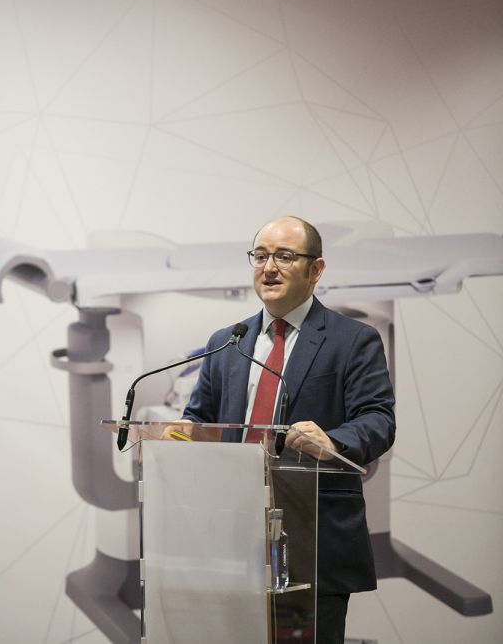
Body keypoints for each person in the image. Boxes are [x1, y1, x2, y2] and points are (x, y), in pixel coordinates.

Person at [166, 216, 395, 644]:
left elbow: (378, 420)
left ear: (316, 269)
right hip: (231, 536)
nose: (269, 268)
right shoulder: (228, 342)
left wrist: (332, 442)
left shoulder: (352, 340)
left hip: (311, 536)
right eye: (260, 256)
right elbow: (200, 420)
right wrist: (182, 432)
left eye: (285, 257)